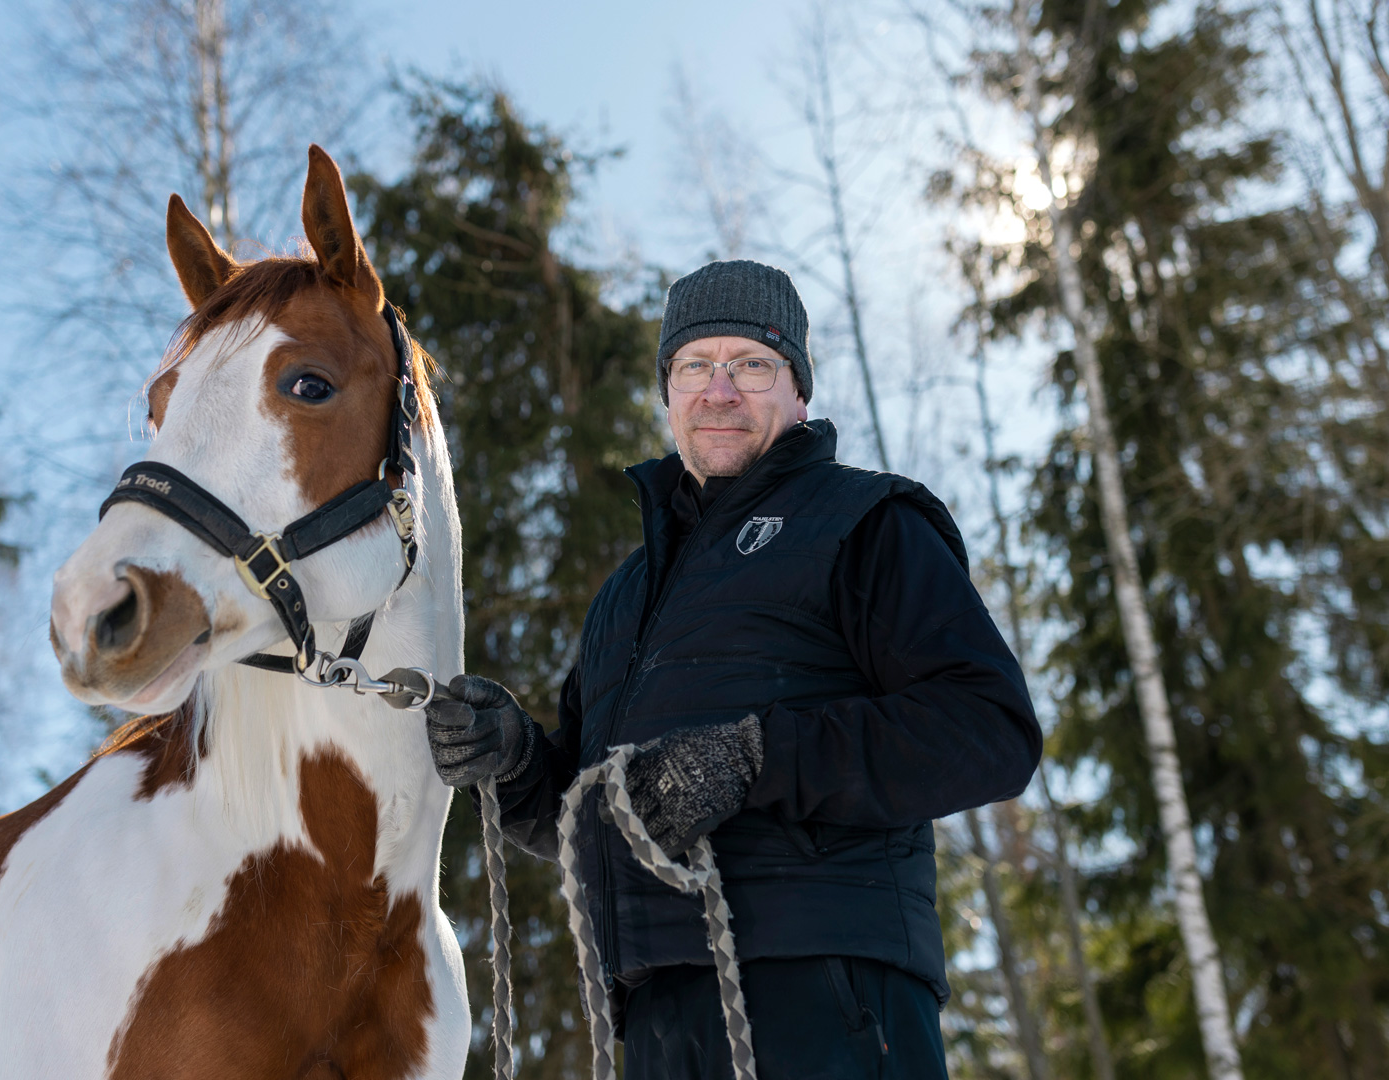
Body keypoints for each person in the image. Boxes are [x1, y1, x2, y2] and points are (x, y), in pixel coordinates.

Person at [426, 259, 1041, 1079]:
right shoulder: (626, 595)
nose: (719, 390)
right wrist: (514, 765)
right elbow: (587, 813)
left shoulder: (864, 520)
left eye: (751, 364)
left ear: (798, 391)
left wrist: (756, 757)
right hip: (653, 1015)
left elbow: (989, 729)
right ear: (669, 392)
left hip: (827, 993)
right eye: (694, 366)